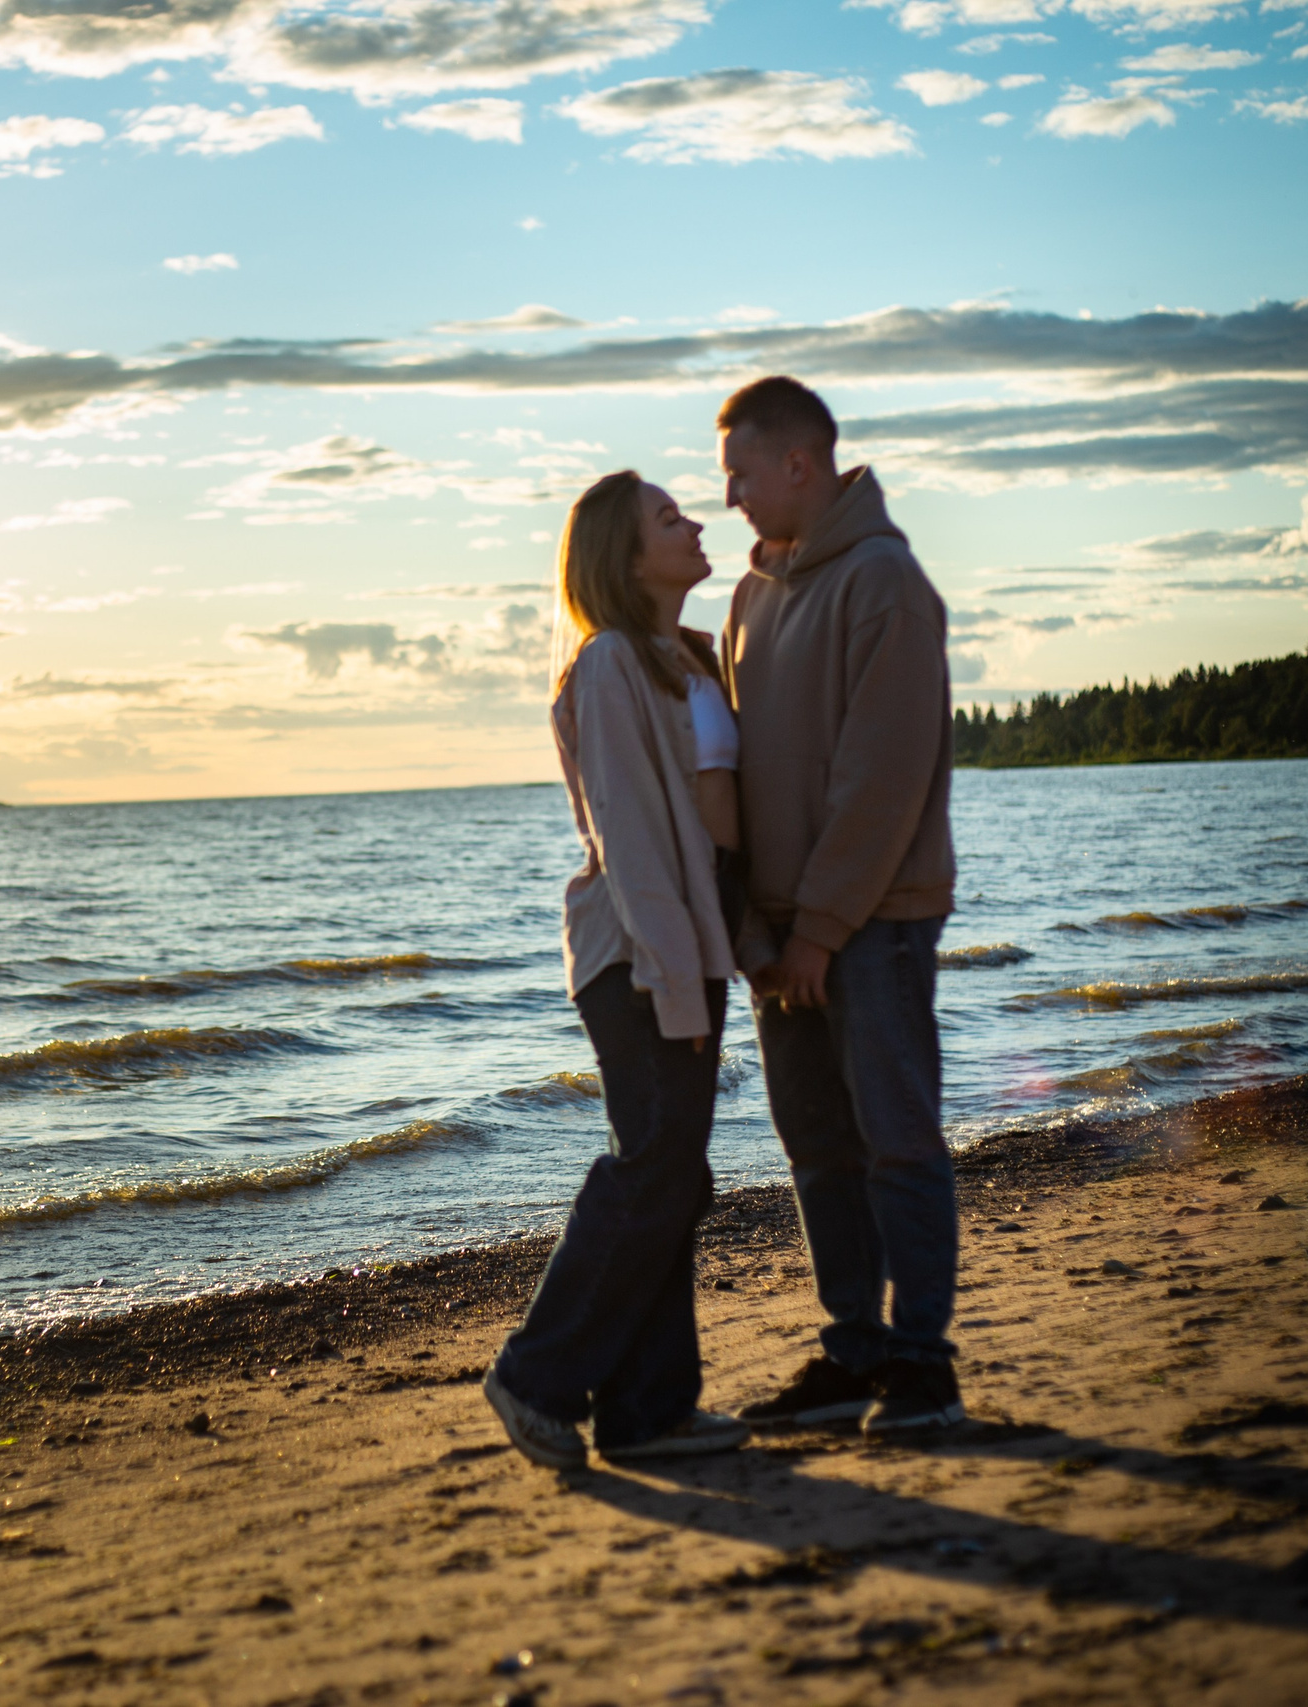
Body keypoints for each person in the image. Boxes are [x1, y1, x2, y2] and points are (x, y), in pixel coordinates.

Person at [482, 470, 753, 1471]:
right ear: (624, 556)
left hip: (688, 942)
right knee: (653, 1166)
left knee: (673, 1171)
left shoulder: (678, 658)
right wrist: (678, 978)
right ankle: (533, 1377)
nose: (691, 524)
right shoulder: (607, 666)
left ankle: (646, 1413)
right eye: (668, 517)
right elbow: (634, 842)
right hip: (637, 955)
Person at [715, 376, 966, 1435]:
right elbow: (732, 768)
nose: (726, 496)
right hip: (784, 938)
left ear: (797, 464)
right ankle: (852, 1351)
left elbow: (883, 774)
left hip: (875, 921)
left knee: (896, 1142)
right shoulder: (748, 595)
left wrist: (820, 928)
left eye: (737, 472)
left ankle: (921, 1367)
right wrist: (760, 931)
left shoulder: (884, 582)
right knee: (816, 1152)